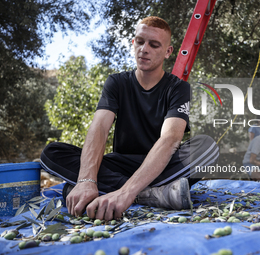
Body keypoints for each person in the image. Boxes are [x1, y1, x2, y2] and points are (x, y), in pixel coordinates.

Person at [40, 16, 219, 221]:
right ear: (133, 43)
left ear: (168, 52)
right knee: (51, 153)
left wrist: (125, 193)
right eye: (140, 41)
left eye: (154, 44)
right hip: (120, 164)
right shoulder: (116, 83)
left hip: (161, 166)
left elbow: (170, 139)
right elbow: (99, 128)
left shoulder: (178, 88)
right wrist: (86, 180)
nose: (144, 49)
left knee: (208, 147)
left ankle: (119, 191)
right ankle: (153, 196)